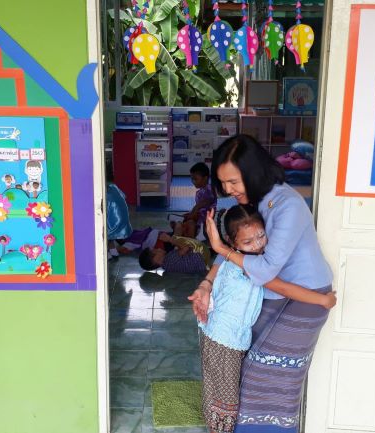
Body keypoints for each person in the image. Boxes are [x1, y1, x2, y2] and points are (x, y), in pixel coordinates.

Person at [188, 134, 334, 433]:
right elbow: (236, 252)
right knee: (248, 372)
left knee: (265, 377)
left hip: (305, 299)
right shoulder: (252, 202)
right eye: (223, 183)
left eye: (233, 182)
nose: (228, 190)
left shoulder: (288, 205)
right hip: (270, 295)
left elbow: (263, 268)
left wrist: (221, 249)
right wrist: (206, 284)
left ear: (253, 172)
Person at [175, 162, 217, 239]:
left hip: (204, 223)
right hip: (199, 220)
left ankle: (190, 243)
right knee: (177, 223)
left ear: (205, 178)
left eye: (195, 179)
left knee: (188, 224)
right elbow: (198, 209)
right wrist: (190, 214)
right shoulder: (200, 191)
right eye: (192, 179)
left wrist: (192, 214)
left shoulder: (209, 189)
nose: (193, 182)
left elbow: (201, 205)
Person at [138, 232, 211, 274]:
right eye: (156, 250)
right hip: (202, 258)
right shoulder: (169, 259)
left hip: (200, 266)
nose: (158, 248)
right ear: (155, 260)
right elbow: (186, 248)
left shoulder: (166, 267)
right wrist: (170, 239)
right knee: (181, 241)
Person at [106, 174, 132, 260]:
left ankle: (106, 251)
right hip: (122, 221)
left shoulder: (104, 194)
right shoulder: (114, 187)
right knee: (109, 228)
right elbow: (124, 196)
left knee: (104, 226)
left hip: (114, 223)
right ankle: (113, 250)